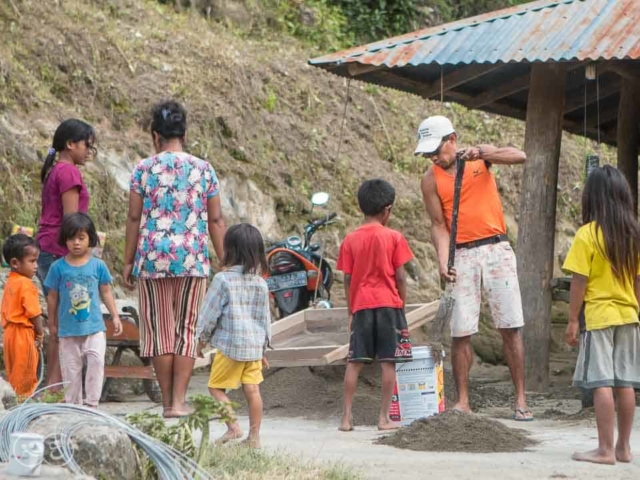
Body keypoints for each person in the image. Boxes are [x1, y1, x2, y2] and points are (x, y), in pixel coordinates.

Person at [417, 115, 532, 420]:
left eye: (436, 150)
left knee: (510, 325)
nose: (434, 157)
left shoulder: (479, 159)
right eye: (428, 153)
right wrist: (443, 260)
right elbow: (438, 225)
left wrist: (484, 152)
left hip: (496, 247)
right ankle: (463, 400)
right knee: (461, 329)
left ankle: (521, 399)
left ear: (452, 139)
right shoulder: (430, 179)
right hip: (461, 254)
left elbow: (519, 156)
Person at [123, 100, 226, 418]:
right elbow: (217, 220)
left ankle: (167, 403)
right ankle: (179, 402)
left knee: (158, 330)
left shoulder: (143, 169)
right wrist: (226, 259)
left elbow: (133, 218)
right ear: (184, 133)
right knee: (187, 329)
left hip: (152, 259)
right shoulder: (203, 169)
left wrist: (128, 261)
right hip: (192, 259)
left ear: (155, 135)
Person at [562, 165, 640, 465]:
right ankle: (623, 448)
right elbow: (636, 281)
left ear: (592, 198)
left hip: (599, 317)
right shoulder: (633, 234)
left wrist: (572, 320)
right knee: (626, 383)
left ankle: (604, 450)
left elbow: (578, 281)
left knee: (601, 382)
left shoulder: (587, 234)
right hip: (629, 316)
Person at [337, 179, 414, 432]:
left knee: (355, 362)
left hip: (361, 306)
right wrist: (400, 305)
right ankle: (383, 419)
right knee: (388, 363)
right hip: (389, 306)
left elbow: (347, 279)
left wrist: (351, 310)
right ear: (387, 210)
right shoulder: (394, 237)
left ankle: (346, 418)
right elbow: (400, 276)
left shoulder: (350, 240)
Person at [196, 223, 271, 448]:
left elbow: (209, 314)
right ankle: (254, 437)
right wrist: (263, 350)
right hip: (253, 349)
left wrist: (200, 341)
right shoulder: (261, 284)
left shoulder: (223, 280)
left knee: (215, 387)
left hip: (230, 347)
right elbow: (265, 320)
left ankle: (233, 427)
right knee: (253, 390)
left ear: (230, 250)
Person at [36, 119, 96, 391]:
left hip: (47, 247)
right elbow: (72, 222)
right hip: (59, 251)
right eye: (86, 145)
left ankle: (54, 384)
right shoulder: (69, 173)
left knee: (58, 317)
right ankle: (54, 384)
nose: (88, 151)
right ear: (71, 145)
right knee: (63, 321)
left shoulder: (55, 170)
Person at [44, 213, 122, 407]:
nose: (76, 243)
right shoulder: (57, 268)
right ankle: (74, 406)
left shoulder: (98, 265)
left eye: (81, 238)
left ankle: (92, 404)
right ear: (64, 239)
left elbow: (106, 291)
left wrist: (115, 316)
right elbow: (52, 297)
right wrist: (52, 323)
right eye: (71, 238)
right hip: (68, 331)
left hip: (94, 328)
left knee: (96, 362)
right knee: (71, 370)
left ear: (90, 239)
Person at [1, 234, 44, 397]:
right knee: (25, 375)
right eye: (32, 261)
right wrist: (39, 334)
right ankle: (23, 407)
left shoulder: (11, 281)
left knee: (14, 373)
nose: (36, 266)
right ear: (15, 263)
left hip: (9, 334)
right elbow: (34, 314)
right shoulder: (26, 284)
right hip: (23, 335)